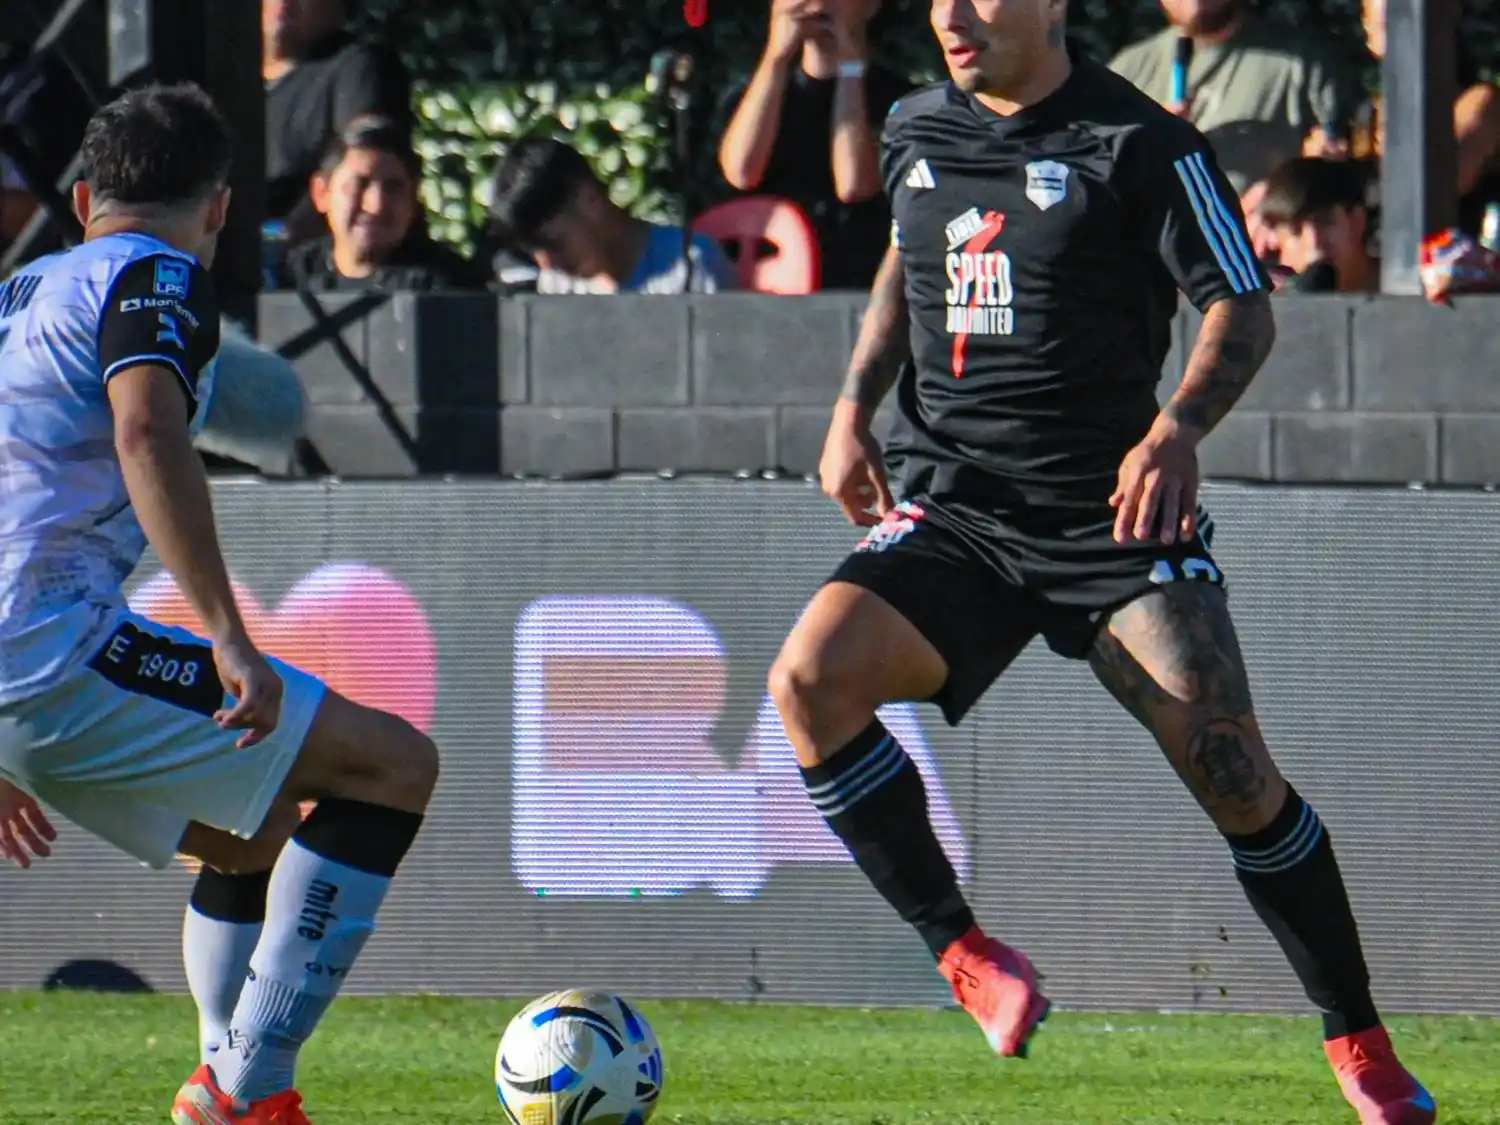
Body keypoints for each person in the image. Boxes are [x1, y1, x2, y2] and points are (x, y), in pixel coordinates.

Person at [766, 3, 1433, 1123]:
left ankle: (1358, 1043)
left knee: (1232, 769)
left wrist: (1173, 431)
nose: (952, 15)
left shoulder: (1144, 144)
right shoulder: (915, 126)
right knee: (807, 683)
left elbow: (1242, 308)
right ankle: (965, 953)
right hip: (960, 512)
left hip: (1109, 519)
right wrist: (850, 409)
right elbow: (903, 257)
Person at [0, 83, 438, 1125]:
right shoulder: (159, 275)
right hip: (52, 647)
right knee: (394, 765)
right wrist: (231, 638)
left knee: (248, 835)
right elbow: (147, 435)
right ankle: (246, 1091)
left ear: (79, 196)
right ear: (223, 209)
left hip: (19, 664)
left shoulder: (20, 298)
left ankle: (225, 1078)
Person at [716, 0, 911, 289]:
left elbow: (855, 185)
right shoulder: (750, 96)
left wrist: (850, 72)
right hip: (768, 287)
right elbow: (743, 172)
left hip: (856, 282)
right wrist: (776, 58)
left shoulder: (899, 101)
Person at [489, 136, 737, 295]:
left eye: (554, 243)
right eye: (534, 251)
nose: (548, 264)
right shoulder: (557, 285)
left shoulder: (691, 268)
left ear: (590, 200)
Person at [263, 0, 412, 248]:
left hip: (318, 271)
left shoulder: (360, 67)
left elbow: (367, 166)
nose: (283, 2)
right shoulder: (217, 79)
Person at [279, 115, 486, 291]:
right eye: (360, 184)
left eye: (393, 187)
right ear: (321, 193)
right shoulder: (291, 278)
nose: (376, 205)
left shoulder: (446, 287)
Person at [1257, 158, 1379, 294]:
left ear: (1357, 220)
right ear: (1273, 239)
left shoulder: (1403, 290)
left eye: (1326, 222)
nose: (1315, 246)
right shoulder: (1261, 308)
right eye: (1295, 231)